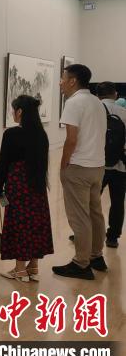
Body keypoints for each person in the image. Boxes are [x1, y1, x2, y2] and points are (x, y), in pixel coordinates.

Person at [53, 64, 107, 280]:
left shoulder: (74, 103)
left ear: (72, 81)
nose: (60, 82)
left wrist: (63, 164)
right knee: (95, 213)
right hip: (97, 166)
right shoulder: (96, 102)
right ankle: (96, 256)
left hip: (79, 167)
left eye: (62, 78)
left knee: (80, 217)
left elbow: (71, 139)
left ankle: (81, 263)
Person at [0, 96, 53, 282]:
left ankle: (20, 270)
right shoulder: (41, 135)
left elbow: (3, 164)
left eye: (14, 110)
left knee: (19, 223)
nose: (13, 113)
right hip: (37, 186)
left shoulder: (12, 134)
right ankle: (33, 267)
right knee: (36, 223)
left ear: (19, 111)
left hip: (17, 186)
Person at [97, 82, 126, 248]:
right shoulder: (124, 112)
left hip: (98, 164)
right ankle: (113, 237)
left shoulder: (95, 111)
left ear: (97, 95)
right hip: (120, 165)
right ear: (115, 94)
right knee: (118, 202)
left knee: (92, 200)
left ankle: (88, 232)